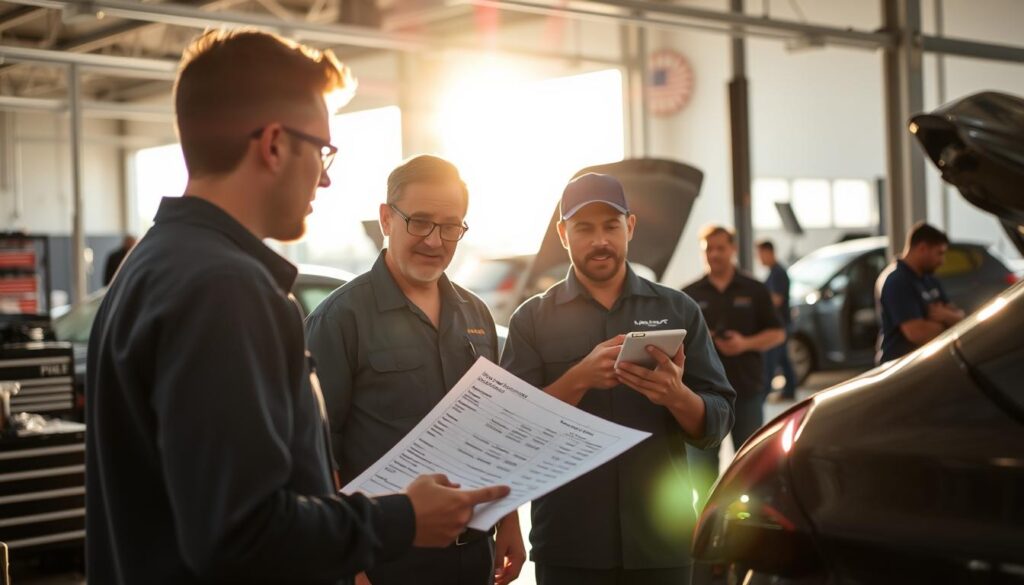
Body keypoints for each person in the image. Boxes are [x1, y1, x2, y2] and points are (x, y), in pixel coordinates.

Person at [85, 30, 508, 585]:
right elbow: (241, 533)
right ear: (275, 144)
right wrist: (400, 519)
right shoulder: (225, 290)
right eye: (322, 150)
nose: (326, 177)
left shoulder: (153, 265)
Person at [500, 173, 735, 585]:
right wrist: (579, 378)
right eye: (583, 228)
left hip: (662, 541)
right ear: (563, 233)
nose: (599, 240)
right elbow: (511, 428)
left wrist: (677, 396)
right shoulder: (532, 320)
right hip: (570, 543)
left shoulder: (678, 310)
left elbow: (718, 419)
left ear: (629, 227)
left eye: (610, 226)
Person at [304, 155, 526, 585]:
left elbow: (494, 429)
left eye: (450, 226)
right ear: (386, 218)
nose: (435, 240)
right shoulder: (339, 319)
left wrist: (510, 522)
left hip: (471, 555)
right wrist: (349, 563)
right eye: (420, 222)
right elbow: (319, 452)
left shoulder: (475, 312)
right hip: (386, 558)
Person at [682, 225, 784, 505]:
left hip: (746, 392)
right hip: (701, 398)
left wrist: (745, 344)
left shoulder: (754, 290)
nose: (714, 254)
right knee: (702, 481)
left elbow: (778, 333)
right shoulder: (687, 295)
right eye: (708, 249)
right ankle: (705, 537)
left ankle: (747, 534)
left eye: (720, 248)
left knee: (751, 471)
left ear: (733, 249)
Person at [875, 222, 964, 364]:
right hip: (899, 368)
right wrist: (949, 323)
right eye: (939, 253)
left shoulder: (929, 279)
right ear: (922, 248)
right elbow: (917, 333)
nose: (942, 261)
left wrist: (947, 316)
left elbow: (960, 316)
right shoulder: (896, 281)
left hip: (924, 363)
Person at [756, 240, 797, 402]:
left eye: (760, 254)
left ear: (768, 252)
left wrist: (759, 300)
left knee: (770, 360)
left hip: (779, 324)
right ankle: (790, 390)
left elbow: (777, 299)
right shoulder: (773, 272)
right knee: (783, 359)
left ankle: (763, 394)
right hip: (780, 323)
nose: (759, 259)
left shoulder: (778, 272)